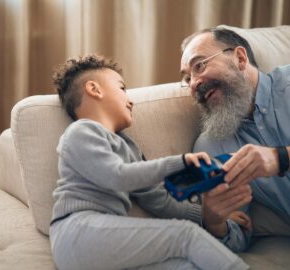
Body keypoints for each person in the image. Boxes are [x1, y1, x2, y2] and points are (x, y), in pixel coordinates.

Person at [49, 54, 249, 270]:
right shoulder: (81, 132)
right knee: (185, 235)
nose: (130, 99)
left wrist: (208, 216)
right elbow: (116, 176)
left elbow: (160, 200)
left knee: (184, 265)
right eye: (122, 88)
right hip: (78, 233)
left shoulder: (128, 147)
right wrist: (181, 162)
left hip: (105, 242)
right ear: (94, 89)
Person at [180, 26, 290, 252]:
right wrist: (215, 223)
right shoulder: (210, 145)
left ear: (240, 58)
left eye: (199, 66)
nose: (193, 84)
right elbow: (239, 235)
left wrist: (281, 157)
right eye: (187, 79)